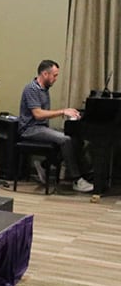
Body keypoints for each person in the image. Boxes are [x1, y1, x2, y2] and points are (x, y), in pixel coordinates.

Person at [18, 59, 93, 193]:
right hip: (30, 130)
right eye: (55, 75)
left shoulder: (44, 89)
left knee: (73, 137)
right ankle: (77, 180)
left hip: (41, 128)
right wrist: (63, 111)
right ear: (45, 74)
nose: (56, 78)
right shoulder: (31, 89)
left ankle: (45, 165)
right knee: (65, 140)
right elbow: (38, 114)